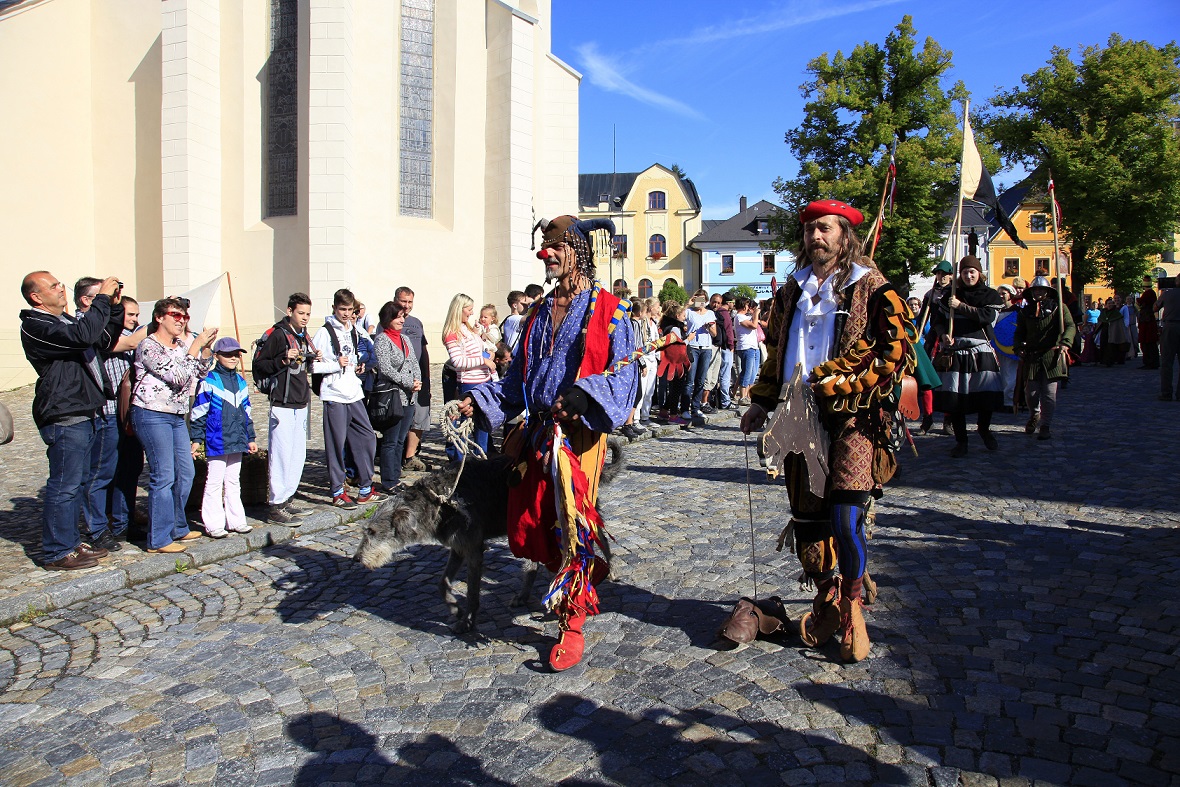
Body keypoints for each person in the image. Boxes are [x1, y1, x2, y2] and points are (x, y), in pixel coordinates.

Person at [458, 214, 637, 671]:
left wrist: (585, 395)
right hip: (537, 434)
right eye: (545, 246)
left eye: (556, 246)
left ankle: (571, 620)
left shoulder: (613, 311)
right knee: (532, 521)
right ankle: (585, 570)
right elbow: (517, 379)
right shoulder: (537, 313)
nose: (547, 254)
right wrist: (479, 401)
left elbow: (625, 378)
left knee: (568, 524)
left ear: (579, 250)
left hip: (579, 437)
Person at [740, 199, 916, 663]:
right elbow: (776, 352)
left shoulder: (871, 286)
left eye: (825, 229)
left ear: (845, 235)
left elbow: (896, 348)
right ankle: (828, 597)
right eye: (810, 230)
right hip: (797, 416)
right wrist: (761, 401)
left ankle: (853, 606)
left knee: (845, 518)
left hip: (853, 417)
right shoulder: (790, 291)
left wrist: (846, 379)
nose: (815, 236)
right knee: (809, 524)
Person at [20, 271, 125, 570]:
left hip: (85, 408)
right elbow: (83, 336)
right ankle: (57, 551)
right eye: (53, 285)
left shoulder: (65, 321)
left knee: (77, 483)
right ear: (36, 297)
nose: (60, 288)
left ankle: (70, 540)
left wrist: (114, 307)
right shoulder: (35, 325)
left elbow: (103, 339)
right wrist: (101, 299)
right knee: (64, 485)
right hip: (64, 411)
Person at [130, 297, 218, 553]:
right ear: (159, 317)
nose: (181, 321)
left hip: (177, 415)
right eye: (176, 315)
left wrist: (204, 349)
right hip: (151, 413)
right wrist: (195, 346)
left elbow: (199, 373)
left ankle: (177, 526)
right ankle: (158, 539)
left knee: (186, 472)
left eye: (185, 317)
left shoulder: (180, 346)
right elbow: (178, 376)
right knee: (164, 475)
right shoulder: (149, 346)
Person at [312, 289, 382, 509]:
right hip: (334, 394)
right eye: (342, 309)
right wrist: (335, 365)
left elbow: (361, 354)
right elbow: (312, 366)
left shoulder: (354, 330)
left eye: (349, 310)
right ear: (334, 308)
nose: (346, 314)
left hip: (354, 392)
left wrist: (361, 365)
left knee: (367, 437)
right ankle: (337, 490)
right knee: (336, 443)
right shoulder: (324, 332)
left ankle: (365, 487)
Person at [253, 292, 319, 524]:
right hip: (282, 401)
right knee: (281, 454)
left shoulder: (302, 335)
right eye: (301, 313)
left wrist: (312, 358)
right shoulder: (278, 335)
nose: (305, 317)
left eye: (308, 314)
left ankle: (288, 497)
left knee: (297, 454)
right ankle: (275, 504)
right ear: (290, 311)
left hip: (300, 400)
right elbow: (260, 365)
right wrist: (282, 359)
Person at [930, 256, 1005, 457]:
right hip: (957, 351)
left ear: (979, 273)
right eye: (965, 272)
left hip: (980, 351)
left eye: (972, 272)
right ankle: (961, 441)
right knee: (955, 400)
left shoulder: (990, 295)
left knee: (986, 395)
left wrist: (960, 306)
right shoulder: (951, 295)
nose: (968, 276)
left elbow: (986, 317)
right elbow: (938, 320)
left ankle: (984, 428)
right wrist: (943, 334)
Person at [189, 337, 258, 537]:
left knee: (233, 481)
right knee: (214, 481)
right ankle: (213, 524)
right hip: (217, 439)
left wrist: (250, 437)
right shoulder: (209, 381)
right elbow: (198, 413)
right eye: (228, 354)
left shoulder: (241, 381)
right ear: (217, 356)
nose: (233, 358)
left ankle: (236, 520)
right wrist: (196, 439)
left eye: (236, 354)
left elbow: (247, 412)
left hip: (237, 439)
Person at [1013, 277, 1076, 441]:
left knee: (1049, 394)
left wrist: (1066, 342)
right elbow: (1019, 332)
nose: (1038, 292)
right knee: (1031, 393)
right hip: (1032, 356)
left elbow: (1070, 326)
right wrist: (1018, 347)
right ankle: (1035, 414)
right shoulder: (1025, 311)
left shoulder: (1059, 308)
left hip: (1051, 355)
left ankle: (1045, 425)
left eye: (1042, 289)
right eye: (1036, 289)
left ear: (1048, 292)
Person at [374, 302, 422, 490]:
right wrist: (408, 382)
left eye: (403, 316)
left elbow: (414, 362)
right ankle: (389, 481)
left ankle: (396, 476)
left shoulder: (405, 339)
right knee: (391, 440)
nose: (402, 320)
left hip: (409, 396)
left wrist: (417, 381)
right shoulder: (382, 340)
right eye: (398, 317)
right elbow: (385, 369)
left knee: (401, 439)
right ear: (388, 319)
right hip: (393, 397)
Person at [443, 293, 495, 458]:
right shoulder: (452, 333)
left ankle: (481, 457)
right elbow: (458, 361)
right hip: (470, 383)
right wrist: (483, 361)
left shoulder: (468, 329)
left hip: (484, 380)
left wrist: (487, 352)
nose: (472, 313)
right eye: (469, 309)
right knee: (465, 424)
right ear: (460, 309)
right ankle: (460, 461)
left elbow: (477, 351)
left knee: (482, 423)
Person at [393, 287, 432, 472]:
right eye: (403, 301)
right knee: (400, 419)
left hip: (419, 378)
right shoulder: (388, 321)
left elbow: (423, 350)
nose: (407, 306)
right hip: (399, 380)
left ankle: (410, 456)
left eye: (410, 302)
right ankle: (395, 458)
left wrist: (427, 377)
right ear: (395, 300)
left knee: (420, 417)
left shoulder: (417, 323)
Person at [655, 300, 690, 424]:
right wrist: (689, 339)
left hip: (671, 360)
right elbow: (678, 344)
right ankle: (673, 415)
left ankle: (664, 411)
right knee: (676, 389)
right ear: (677, 316)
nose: (684, 318)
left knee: (675, 388)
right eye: (683, 315)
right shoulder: (674, 328)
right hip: (676, 361)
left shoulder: (667, 325)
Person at [684, 293, 716, 419]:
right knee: (690, 380)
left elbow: (714, 334)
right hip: (693, 347)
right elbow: (679, 315)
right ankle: (685, 409)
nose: (700, 302)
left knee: (701, 380)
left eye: (702, 299)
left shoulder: (710, 314)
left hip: (706, 347)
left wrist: (709, 327)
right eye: (698, 299)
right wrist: (688, 303)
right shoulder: (689, 312)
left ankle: (696, 408)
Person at [1156, 275, 1180, 400]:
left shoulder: (1167, 293)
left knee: (1166, 362)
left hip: (1170, 327)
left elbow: (1155, 307)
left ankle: (1166, 393)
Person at [733, 297, 761, 406]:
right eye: (747, 305)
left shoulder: (746, 316)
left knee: (753, 373)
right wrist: (756, 314)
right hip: (745, 347)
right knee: (747, 372)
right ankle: (742, 396)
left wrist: (755, 313)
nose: (749, 307)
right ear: (743, 305)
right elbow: (753, 325)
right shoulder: (739, 317)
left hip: (753, 347)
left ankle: (748, 395)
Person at [1097, 297, 1129, 366]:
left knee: (1112, 346)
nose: (1110, 305)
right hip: (1105, 331)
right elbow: (1100, 322)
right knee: (1104, 345)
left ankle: (1111, 360)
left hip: (1114, 331)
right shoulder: (1103, 312)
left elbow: (1119, 324)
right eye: (1109, 303)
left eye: (1112, 303)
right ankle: (1103, 360)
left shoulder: (1116, 313)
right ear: (1106, 305)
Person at [1139, 275, 1160, 370]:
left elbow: (1140, 302)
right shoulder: (1149, 293)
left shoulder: (1149, 293)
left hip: (1147, 321)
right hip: (1146, 320)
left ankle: (1150, 362)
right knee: (1147, 342)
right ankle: (1150, 362)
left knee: (1148, 342)